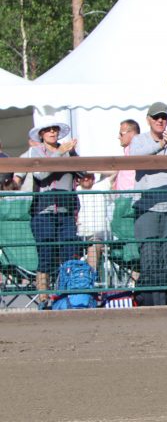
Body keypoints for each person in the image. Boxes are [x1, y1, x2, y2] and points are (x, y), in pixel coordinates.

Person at [12, 116, 83, 309]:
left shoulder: (69, 151)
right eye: (48, 129)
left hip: (66, 210)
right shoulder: (35, 152)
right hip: (43, 210)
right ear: (42, 134)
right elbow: (40, 174)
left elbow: (83, 174)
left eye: (55, 129)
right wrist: (60, 153)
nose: (52, 132)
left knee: (69, 254)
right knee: (45, 255)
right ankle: (43, 299)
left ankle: (68, 295)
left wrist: (73, 156)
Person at [128, 102, 167, 306]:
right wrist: (161, 145)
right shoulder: (139, 140)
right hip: (147, 207)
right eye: (156, 117)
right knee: (149, 254)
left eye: (164, 117)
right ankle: (149, 302)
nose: (160, 120)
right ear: (148, 120)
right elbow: (136, 156)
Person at [75, 172, 113, 270]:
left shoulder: (100, 187)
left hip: (97, 235)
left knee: (94, 245)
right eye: (83, 177)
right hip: (77, 234)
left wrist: (92, 169)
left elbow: (116, 171)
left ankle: (90, 277)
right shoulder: (74, 191)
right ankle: (75, 277)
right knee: (68, 246)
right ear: (78, 179)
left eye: (89, 177)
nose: (86, 179)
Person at [113, 119, 141, 191]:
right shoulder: (127, 150)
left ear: (132, 133)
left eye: (121, 134)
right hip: (123, 196)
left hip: (131, 196)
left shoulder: (137, 149)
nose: (119, 137)